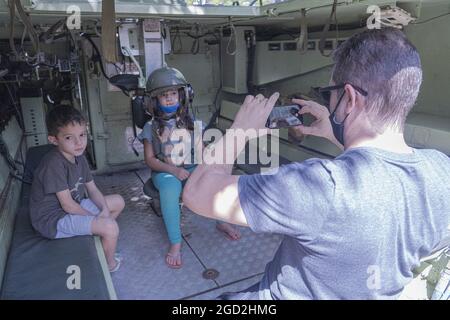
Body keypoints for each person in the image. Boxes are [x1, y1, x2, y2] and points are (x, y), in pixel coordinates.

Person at [182, 28, 450, 299]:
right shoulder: (440, 170)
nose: (329, 101)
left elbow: (197, 194)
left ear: (350, 99)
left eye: (330, 94)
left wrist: (240, 130)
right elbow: (381, 175)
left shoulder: (320, 186)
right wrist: (336, 135)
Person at [139, 66, 241, 269]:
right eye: (164, 95)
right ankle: (176, 243)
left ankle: (221, 220)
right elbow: (150, 160)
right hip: (165, 172)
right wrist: (174, 171)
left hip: (192, 167)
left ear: (183, 96)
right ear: (153, 101)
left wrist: (212, 167)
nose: (169, 99)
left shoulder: (191, 123)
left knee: (215, 182)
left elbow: (201, 150)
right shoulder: (150, 128)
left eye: (174, 94)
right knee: (170, 189)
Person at [30, 105, 125, 273]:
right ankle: (108, 265)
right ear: (54, 140)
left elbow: (93, 189)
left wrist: (103, 210)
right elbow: (67, 206)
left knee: (118, 201)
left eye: (82, 135)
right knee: (111, 228)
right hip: (54, 219)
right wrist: (97, 219)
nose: (79, 142)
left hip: (74, 206)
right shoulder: (53, 163)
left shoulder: (79, 156)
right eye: (69, 137)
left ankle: (99, 239)